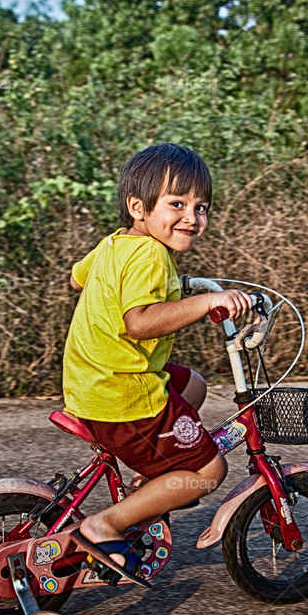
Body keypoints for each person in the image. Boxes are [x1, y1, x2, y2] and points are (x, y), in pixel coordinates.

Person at [62, 142, 253, 584]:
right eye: (177, 204)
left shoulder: (116, 244)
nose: (192, 217)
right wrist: (207, 300)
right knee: (209, 470)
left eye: (201, 207)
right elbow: (139, 323)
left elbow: (77, 277)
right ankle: (105, 525)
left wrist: (149, 282)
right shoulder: (150, 255)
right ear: (138, 207)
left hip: (93, 381)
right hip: (122, 397)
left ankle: (149, 481)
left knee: (194, 386)